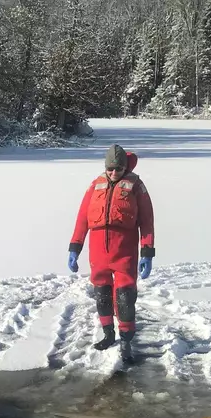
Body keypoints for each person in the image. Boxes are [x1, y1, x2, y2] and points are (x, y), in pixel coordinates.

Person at [68, 144, 155, 364]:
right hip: (98, 252)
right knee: (102, 295)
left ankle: (126, 340)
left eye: (118, 169)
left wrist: (147, 251)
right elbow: (82, 218)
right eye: (110, 169)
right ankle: (108, 333)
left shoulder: (136, 186)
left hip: (124, 250)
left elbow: (147, 221)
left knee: (125, 297)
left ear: (125, 167)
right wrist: (74, 247)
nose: (114, 173)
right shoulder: (95, 185)